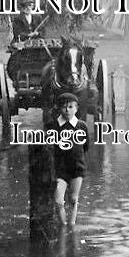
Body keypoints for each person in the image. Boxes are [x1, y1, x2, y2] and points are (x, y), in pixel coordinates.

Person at [46, 92, 89, 227]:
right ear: (59, 108)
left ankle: (72, 225)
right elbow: (48, 146)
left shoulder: (82, 126)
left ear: (76, 108)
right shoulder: (52, 126)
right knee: (58, 201)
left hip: (77, 167)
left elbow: (85, 147)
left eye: (70, 107)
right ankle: (63, 226)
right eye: (64, 107)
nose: (67, 110)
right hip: (60, 168)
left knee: (73, 198)